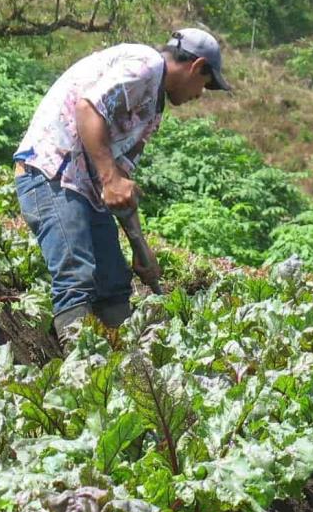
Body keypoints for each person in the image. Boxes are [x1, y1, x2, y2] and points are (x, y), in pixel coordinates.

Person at [13, 28, 231, 345]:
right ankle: (81, 372)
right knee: (77, 276)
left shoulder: (153, 111)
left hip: (84, 188)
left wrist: (140, 248)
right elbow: (88, 108)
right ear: (196, 66)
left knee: (114, 283)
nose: (201, 94)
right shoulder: (146, 64)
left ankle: (125, 373)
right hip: (51, 174)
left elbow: (121, 182)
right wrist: (110, 179)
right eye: (205, 84)